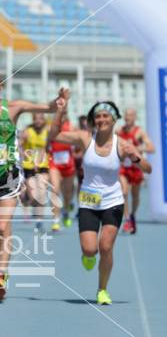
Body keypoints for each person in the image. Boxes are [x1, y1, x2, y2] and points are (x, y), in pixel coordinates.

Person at [0, 68, 69, 301]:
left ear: (0, 86)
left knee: (4, 226)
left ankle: (1, 277)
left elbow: (47, 108)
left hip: (9, 176)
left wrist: (59, 100)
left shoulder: (14, 107)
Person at [49, 100, 151, 305]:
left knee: (106, 246)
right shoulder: (85, 138)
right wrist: (60, 111)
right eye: (98, 116)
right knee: (89, 250)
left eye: (106, 116)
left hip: (113, 201)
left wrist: (136, 158)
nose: (102, 119)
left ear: (114, 119)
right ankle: (88, 255)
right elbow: (54, 136)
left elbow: (148, 169)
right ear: (94, 120)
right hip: (88, 201)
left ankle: (102, 289)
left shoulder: (122, 145)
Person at [118, 109, 155, 234]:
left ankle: (133, 215)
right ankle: (127, 219)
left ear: (134, 117)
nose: (127, 118)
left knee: (135, 195)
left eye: (130, 116)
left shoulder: (139, 132)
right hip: (123, 168)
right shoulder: (119, 131)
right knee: (123, 192)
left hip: (136, 168)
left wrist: (136, 148)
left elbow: (151, 148)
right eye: (126, 115)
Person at [20, 113, 50, 231]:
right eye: (36, 119)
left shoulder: (47, 131)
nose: (38, 121)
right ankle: (27, 198)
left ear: (44, 120)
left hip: (43, 165)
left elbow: (47, 147)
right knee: (33, 196)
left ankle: (39, 220)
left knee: (41, 193)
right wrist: (23, 155)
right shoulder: (28, 131)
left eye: (41, 118)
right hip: (29, 166)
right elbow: (19, 145)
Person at [48, 110, 76, 230]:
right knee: (55, 189)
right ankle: (56, 219)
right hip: (54, 162)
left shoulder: (71, 127)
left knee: (68, 192)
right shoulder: (52, 127)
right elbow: (46, 143)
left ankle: (65, 210)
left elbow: (79, 142)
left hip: (68, 164)